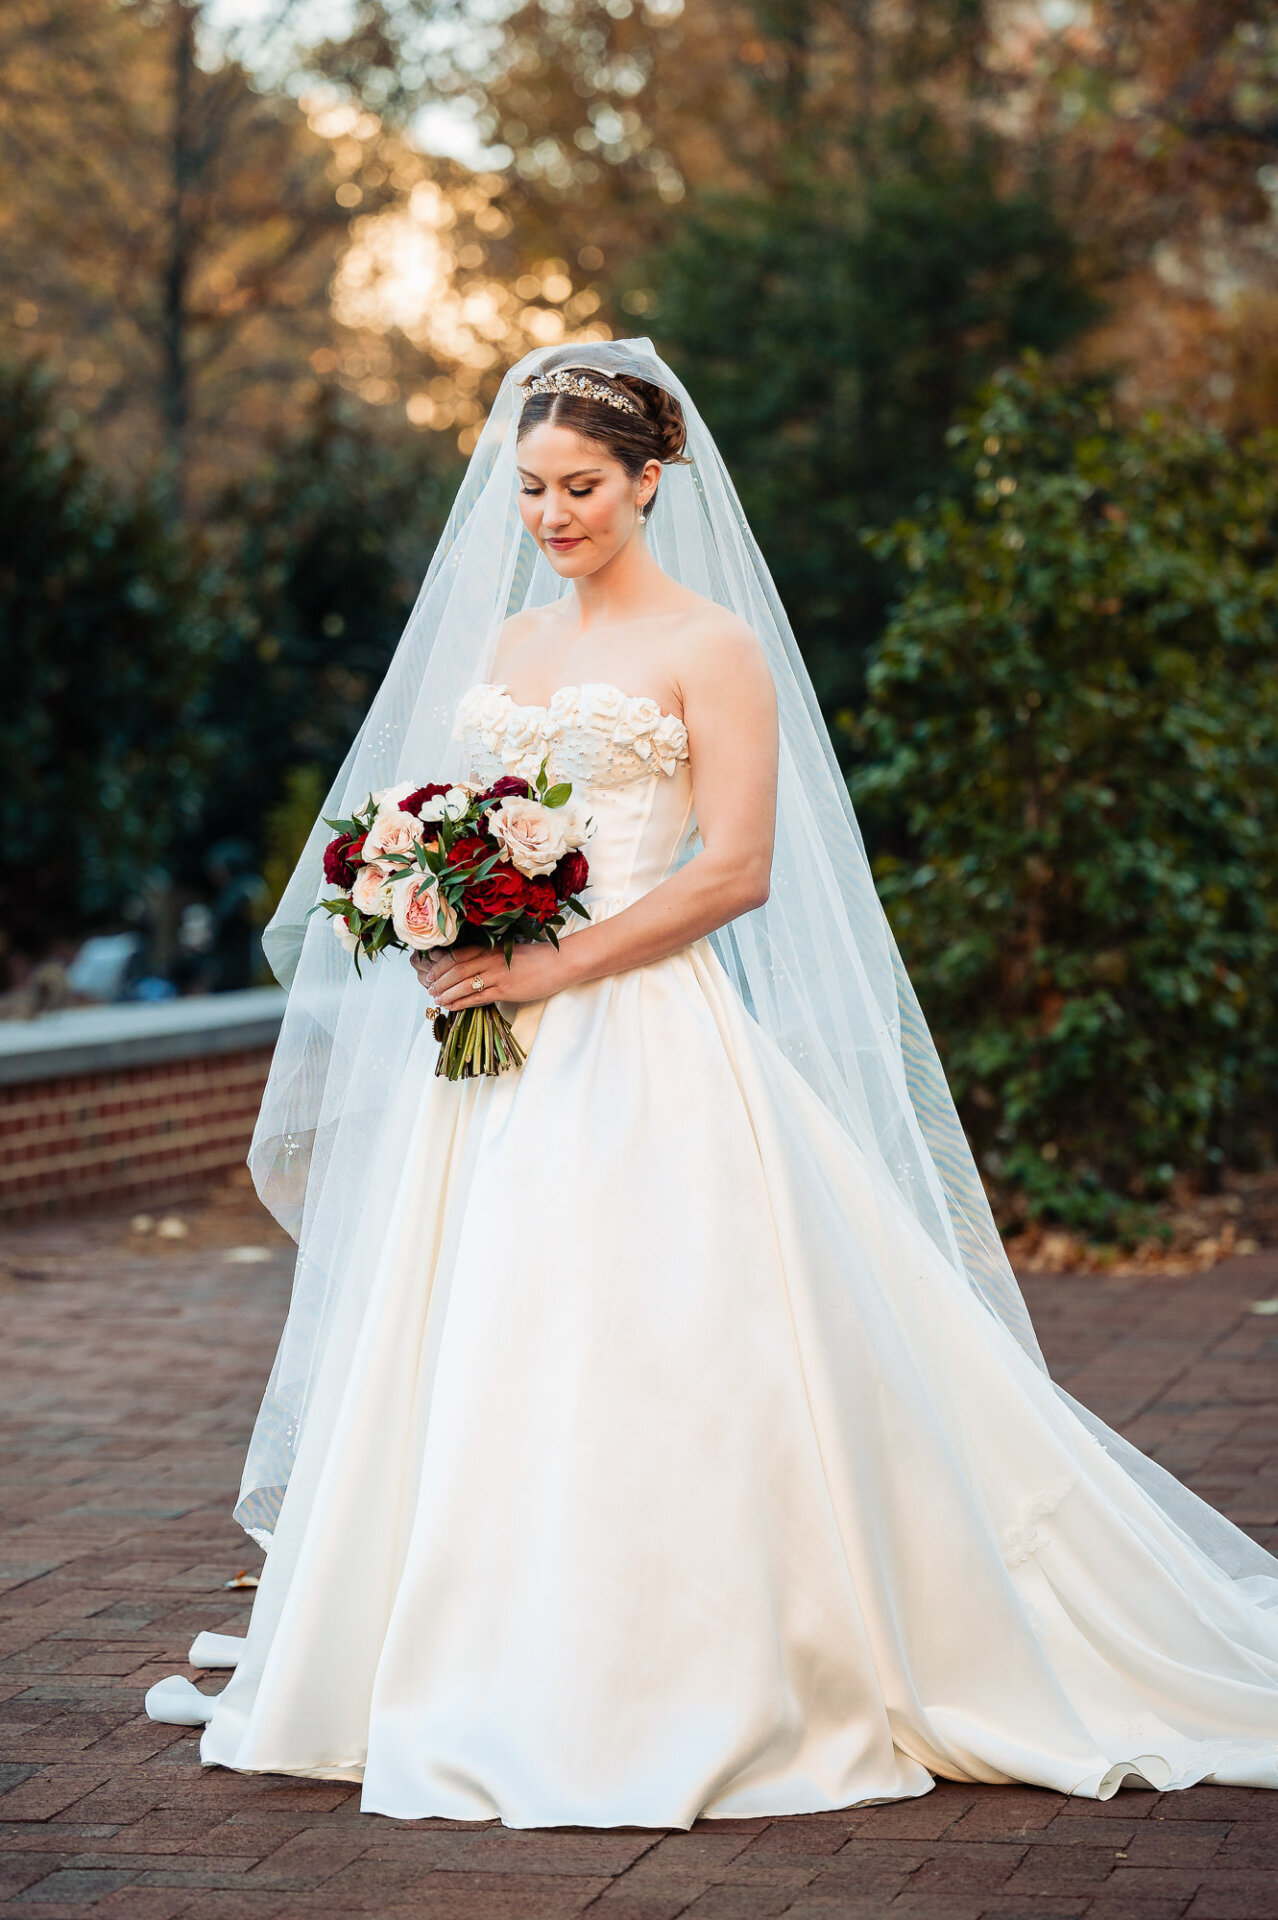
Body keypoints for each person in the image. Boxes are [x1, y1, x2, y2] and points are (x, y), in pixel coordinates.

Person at [145, 341, 1278, 1828]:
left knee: (655, 1337)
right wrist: (437, 916)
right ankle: (471, 1649)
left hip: (639, 1042)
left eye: (580, 488)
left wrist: (553, 965)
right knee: (479, 1337)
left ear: (649, 481)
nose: (550, 514)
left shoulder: (709, 647)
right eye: (531, 489)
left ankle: (681, 1670)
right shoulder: (501, 645)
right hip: (485, 1056)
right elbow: (449, 827)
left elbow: (732, 869)